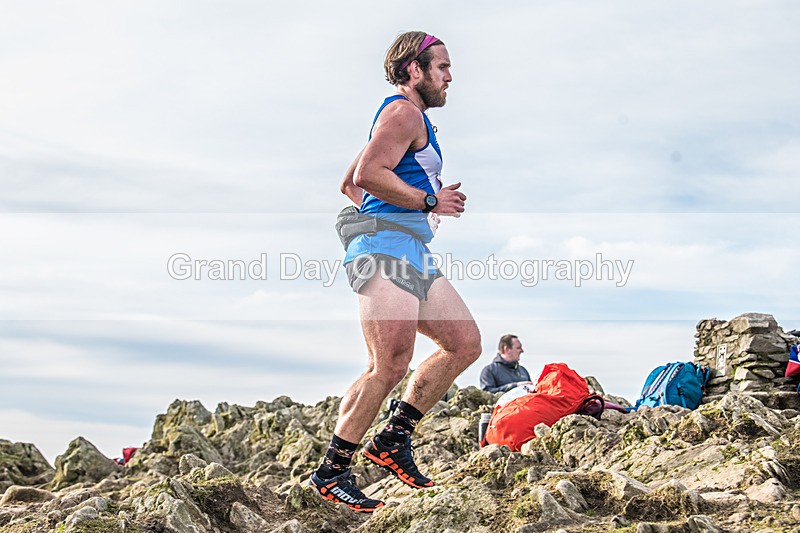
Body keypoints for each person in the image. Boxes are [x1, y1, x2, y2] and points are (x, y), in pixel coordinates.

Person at [309, 32, 482, 513]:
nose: (449, 77)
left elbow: (351, 183)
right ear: (414, 70)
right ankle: (331, 473)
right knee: (388, 365)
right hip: (384, 249)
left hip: (411, 249)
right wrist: (427, 201)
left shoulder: (408, 118)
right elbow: (366, 177)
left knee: (464, 343)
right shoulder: (403, 112)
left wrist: (410, 206)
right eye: (442, 67)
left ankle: (392, 440)